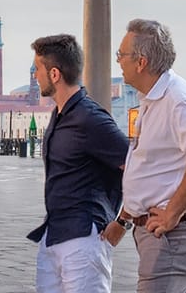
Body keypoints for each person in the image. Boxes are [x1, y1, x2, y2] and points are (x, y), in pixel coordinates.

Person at [106, 19, 186, 292]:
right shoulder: (155, 98)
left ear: (141, 61)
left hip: (174, 235)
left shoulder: (177, 100)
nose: (118, 62)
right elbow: (150, 171)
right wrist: (124, 221)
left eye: (121, 55)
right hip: (168, 235)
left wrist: (172, 213)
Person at [27, 34, 129, 293]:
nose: (35, 75)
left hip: (84, 239)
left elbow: (137, 168)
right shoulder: (59, 115)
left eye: (37, 69)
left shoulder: (90, 118)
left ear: (54, 74)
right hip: (53, 235)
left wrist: (124, 221)